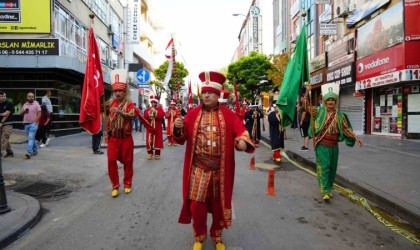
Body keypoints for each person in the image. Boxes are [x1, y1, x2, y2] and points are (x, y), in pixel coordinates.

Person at [173, 71, 255, 250]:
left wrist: (242, 140)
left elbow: (241, 130)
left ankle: (217, 236)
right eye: (204, 92)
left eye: (210, 93)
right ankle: (199, 236)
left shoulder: (228, 115)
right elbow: (181, 138)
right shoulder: (193, 114)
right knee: (196, 205)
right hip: (198, 168)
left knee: (218, 205)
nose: (207, 95)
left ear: (218, 95)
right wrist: (178, 128)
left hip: (220, 170)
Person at [306, 83, 363, 202]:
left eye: (333, 100)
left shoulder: (340, 115)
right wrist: (307, 92)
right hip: (322, 145)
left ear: (335, 102)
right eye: (328, 100)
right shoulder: (319, 112)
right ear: (325, 102)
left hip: (334, 146)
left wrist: (356, 137)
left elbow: (347, 129)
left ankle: (328, 188)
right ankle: (325, 191)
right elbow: (307, 106)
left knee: (332, 169)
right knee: (324, 168)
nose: (331, 102)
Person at [106, 69, 136, 197]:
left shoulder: (130, 104)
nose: (117, 93)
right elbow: (104, 113)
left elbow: (132, 115)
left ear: (124, 92)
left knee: (128, 162)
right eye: (116, 91)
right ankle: (115, 186)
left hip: (126, 139)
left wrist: (119, 112)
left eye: (120, 91)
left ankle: (127, 184)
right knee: (111, 161)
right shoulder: (110, 103)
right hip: (113, 139)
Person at [20, 92, 41, 159]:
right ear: (27, 97)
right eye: (29, 96)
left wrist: (35, 122)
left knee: (30, 137)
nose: (31, 98)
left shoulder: (36, 104)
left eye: (32, 96)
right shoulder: (25, 104)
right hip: (26, 124)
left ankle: (29, 152)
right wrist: (24, 111)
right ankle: (35, 150)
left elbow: (39, 114)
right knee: (32, 138)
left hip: (33, 124)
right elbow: (20, 114)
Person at [144, 95, 165, 160]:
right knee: (149, 140)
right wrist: (150, 112)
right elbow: (145, 116)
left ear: (156, 103)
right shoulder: (148, 109)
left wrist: (155, 112)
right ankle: (150, 153)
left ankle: (157, 154)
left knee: (157, 140)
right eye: (152, 102)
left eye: (154, 102)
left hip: (157, 128)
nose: (153, 104)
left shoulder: (159, 109)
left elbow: (161, 115)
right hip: (150, 128)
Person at [0, 91, 14, 158]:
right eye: (1, 96)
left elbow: (6, 114)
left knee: (4, 137)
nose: (3, 97)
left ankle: (1, 152)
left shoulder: (9, 103)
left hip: (7, 123)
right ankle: (9, 152)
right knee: (3, 139)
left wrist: (1, 122)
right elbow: (3, 113)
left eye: (4, 96)